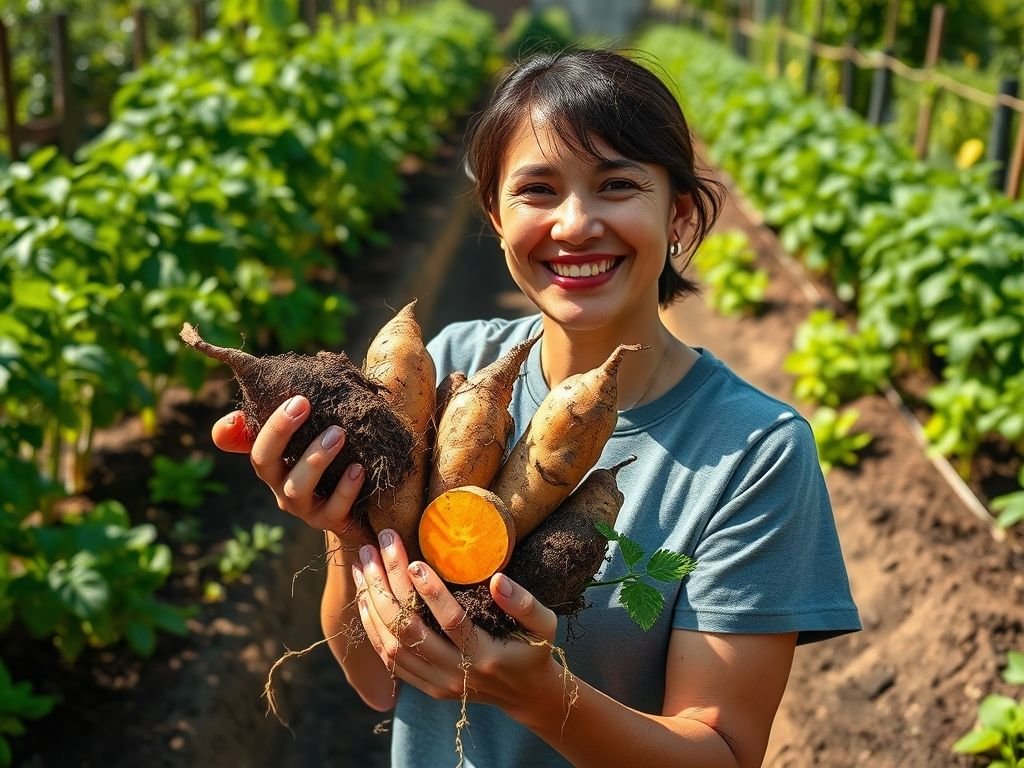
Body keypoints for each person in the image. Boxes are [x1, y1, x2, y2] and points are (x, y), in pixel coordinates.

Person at [212, 48, 860, 768]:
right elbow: (373, 680)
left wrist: (544, 699)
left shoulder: (756, 453)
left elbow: (724, 755)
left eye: (617, 185)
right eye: (538, 190)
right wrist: (344, 523)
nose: (575, 224)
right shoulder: (448, 368)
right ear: (495, 215)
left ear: (678, 213)